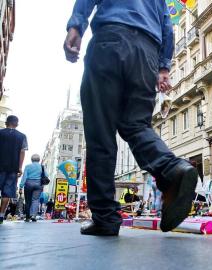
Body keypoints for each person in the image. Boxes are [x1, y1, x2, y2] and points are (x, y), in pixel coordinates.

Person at [64, 1, 198, 235]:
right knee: (136, 124)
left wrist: (76, 26)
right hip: (146, 53)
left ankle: (105, 217)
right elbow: (168, 27)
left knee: (100, 130)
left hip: (111, 39)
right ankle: (172, 167)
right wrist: (163, 68)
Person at [0, 115, 28, 224]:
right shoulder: (22, 136)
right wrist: (20, 167)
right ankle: (1, 216)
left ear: (6, 123)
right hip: (12, 168)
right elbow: (22, 151)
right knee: (6, 193)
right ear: (17, 124)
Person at [19, 154, 47, 222]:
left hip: (28, 184)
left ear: (31, 160)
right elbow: (46, 175)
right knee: (35, 200)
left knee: (28, 201)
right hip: (38, 185)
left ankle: (28, 217)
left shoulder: (27, 166)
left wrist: (21, 186)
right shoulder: (42, 167)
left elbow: (24, 177)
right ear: (39, 160)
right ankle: (34, 215)